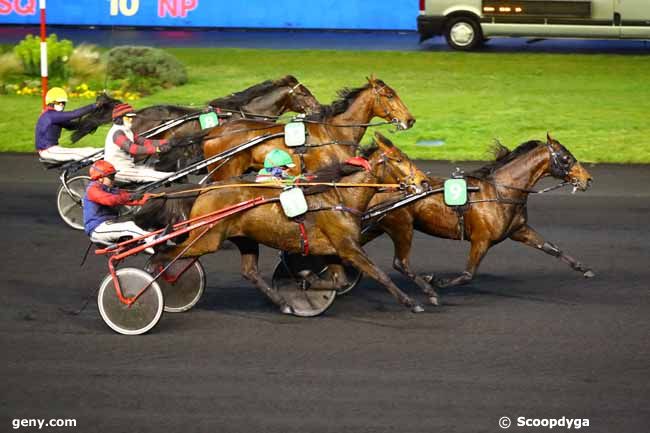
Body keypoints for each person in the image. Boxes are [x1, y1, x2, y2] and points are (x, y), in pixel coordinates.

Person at [83, 160, 154, 252]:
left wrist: (146, 199)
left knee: (138, 218)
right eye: (111, 176)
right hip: (98, 228)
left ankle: (151, 242)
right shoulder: (92, 189)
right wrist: (130, 196)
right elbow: (111, 200)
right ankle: (154, 239)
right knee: (129, 226)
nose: (114, 179)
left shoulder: (109, 188)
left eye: (114, 176)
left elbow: (125, 197)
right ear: (100, 178)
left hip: (110, 223)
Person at [104, 103, 174, 183]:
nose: (131, 120)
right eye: (128, 118)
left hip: (129, 167)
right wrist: (157, 149)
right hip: (119, 171)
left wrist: (168, 141)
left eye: (132, 117)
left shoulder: (126, 130)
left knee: (156, 169)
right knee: (168, 176)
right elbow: (133, 149)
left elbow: (144, 142)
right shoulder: (117, 133)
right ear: (119, 118)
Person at [35, 87, 101, 162]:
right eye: (59, 102)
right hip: (48, 151)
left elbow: (71, 126)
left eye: (63, 103)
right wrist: (95, 105)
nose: (62, 105)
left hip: (54, 149)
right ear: (51, 102)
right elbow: (74, 114)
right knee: (83, 156)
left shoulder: (53, 115)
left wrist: (90, 124)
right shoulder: (50, 115)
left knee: (90, 150)